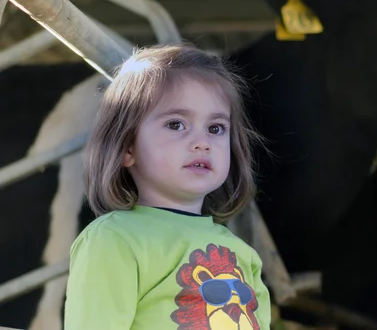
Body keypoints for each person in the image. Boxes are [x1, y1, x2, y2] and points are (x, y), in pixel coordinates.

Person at [64, 43, 271, 330]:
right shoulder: (114, 239)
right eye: (176, 124)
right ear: (127, 147)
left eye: (216, 128)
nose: (203, 142)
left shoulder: (240, 252)